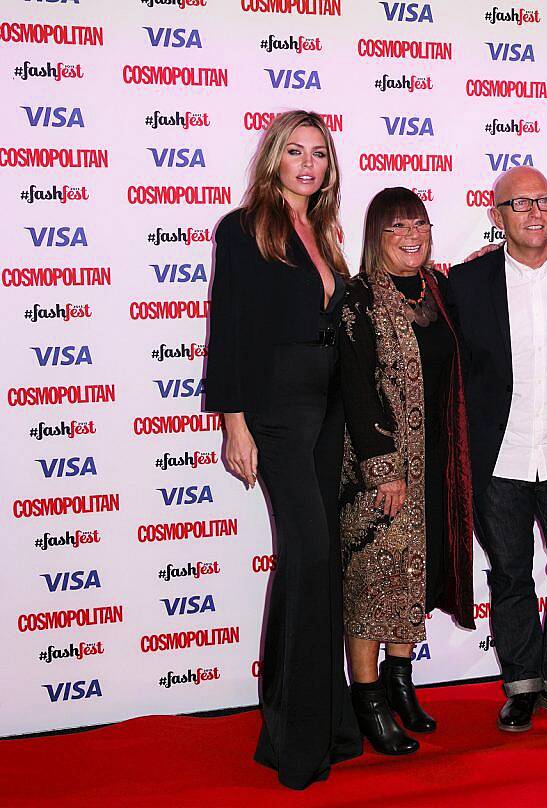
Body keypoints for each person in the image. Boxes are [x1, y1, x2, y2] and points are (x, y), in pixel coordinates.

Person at [204, 110, 362, 789]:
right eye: (294, 152)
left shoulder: (323, 232)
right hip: (275, 411)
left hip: (327, 410)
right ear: (273, 159)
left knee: (317, 565)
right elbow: (229, 324)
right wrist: (233, 422)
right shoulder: (243, 230)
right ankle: (293, 738)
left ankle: (323, 721)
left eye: (318, 154)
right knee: (311, 555)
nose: (307, 164)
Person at [447, 166, 547, 733]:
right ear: (497, 216)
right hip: (500, 458)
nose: (537, 213)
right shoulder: (468, 284)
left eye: (545, 201)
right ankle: (522, 684)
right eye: (521, 205)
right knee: (510, 574)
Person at [338, 187, 475, 755]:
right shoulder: (360, 298)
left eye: (418, 223)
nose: (411, 235)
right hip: (384, 464)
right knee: (375, 579)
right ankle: (367, 699)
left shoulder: (438, 290)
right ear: (376, 236)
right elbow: (355, 387)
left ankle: (400, 681)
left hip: (437, 459)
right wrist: (383, 467)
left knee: (413, 576)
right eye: (396, 227)